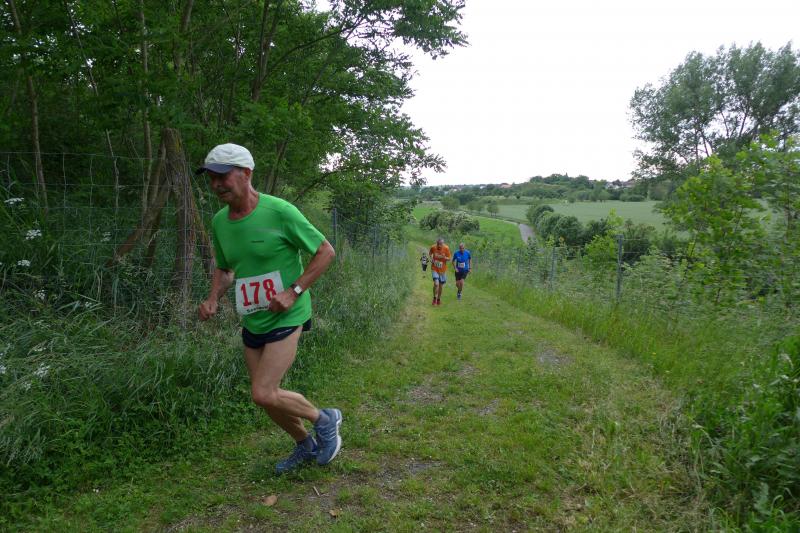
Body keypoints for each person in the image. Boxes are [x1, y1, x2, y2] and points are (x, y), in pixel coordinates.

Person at [196, 143, 342, 475]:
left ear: (246, 173)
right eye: (211, 178)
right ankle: (305, 444)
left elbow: (325, 251)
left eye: (222, 176)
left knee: (263, 392)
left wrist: (294, 291)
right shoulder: (220, 222)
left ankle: (325, 419)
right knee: (264, 396)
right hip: (254, 318)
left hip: (288, 313)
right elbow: (225, 269)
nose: (216, 185)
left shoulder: (280, 212)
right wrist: (213, 297)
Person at [429, 238, 451, 306]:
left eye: (440, 244)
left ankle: (438, 299)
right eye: (438, 244)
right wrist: (431, 259)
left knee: (440, 286)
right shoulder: (433, 247)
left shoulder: (446, 248)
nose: (439, 246)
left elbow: (449, 258)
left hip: (442, 270)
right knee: (436, 284)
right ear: (436, 243)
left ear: (443, 244)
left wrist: (445, 258)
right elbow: (430, 253)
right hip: (434, 268)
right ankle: (434, 298)